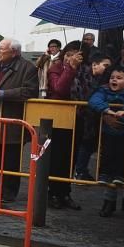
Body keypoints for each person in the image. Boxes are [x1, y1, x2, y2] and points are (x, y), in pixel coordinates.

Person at [0, 38, 39, 203]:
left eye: (1, 49)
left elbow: (30, 91)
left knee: (11, 158)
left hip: (13, 120)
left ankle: (8, 192)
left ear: (14, 52)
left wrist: (2, 94)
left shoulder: (27, 68)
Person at [88, 66, 124, 217]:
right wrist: (106, 110)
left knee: (122, 155)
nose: (114, 80)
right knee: (106, 153)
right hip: (107, 131)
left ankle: (119, 178)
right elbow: (94, 100)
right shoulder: (103, 90)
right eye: (112, 77)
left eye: (119, 78)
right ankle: (104, 176)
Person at [45, 41, 84, 210]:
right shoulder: (56, 68)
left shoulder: (86, 70)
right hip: (58, 117)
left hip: (78, 118)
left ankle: (65, 192)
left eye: (75, 55)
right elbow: (59, 88)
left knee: (71, 157)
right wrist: (70, 68)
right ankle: (52, 192)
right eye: (68, 54)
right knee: (57, 157)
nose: (70, 58)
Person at [72, 52, 112, 180]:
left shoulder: (104, 79)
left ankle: (83, 170)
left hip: (93, 117)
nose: (108, 69)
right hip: (82, 116)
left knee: (89, 145)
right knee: (84, 145)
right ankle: (80, 171)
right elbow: (82, 96)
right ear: (94, 64)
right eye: (105, 65)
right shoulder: (81, 75)